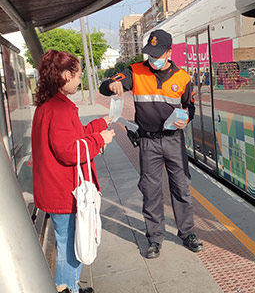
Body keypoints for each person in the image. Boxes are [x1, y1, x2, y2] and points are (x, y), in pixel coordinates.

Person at [99, 29, 203, 258]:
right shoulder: (135, 72)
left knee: (181, 187)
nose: (152, 59)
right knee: (150, 189)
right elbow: (106, 86)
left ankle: (187, 233)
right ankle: (154, 238)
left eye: (157, 54)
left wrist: (185, 119)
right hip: (148, 142)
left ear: (169, 52)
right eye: (150, 54)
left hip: (174, 140)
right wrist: (111, 86)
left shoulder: (183, 78)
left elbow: (190, 107)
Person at [31, 50, 115, 293]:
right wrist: (100, 140)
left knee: (70, 243)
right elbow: (69, 151)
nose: (80, 81)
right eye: (78, 75)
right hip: (64, 191)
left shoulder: (49, 105)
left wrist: (101, 125)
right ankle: (67, 288)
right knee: (70, 246)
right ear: (66, 75)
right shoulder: (59, 108)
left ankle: (72, 285)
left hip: (56, 188)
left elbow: (74, 136)